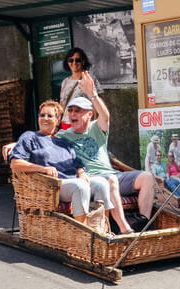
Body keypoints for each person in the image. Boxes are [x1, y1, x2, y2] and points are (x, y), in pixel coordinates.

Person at [56, 73, 156, 235]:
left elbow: (105, 116)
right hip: (93, 181)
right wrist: (15, 144)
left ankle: (142, 222)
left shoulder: (97, 128)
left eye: (78, 111)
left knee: (147, 177)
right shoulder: (63, 135)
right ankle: (125, 228)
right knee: (110, 181)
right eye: (71, 110)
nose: (73, 114)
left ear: (89, 114)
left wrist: (93, 94)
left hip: (114, 175)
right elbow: (42, 139)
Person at [8, 100, 109, 225]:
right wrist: (42, 169)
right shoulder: (30, 137)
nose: (45, 118)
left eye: (50, 116)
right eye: (42, 115)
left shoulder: (63, 142)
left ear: (58, 120)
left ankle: (102, 228)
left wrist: (82, 172)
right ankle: (84, 233)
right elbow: (15, 163)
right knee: (80, 186)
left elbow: (77, 163)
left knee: (101, 184)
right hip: (51, 185)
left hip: (71, 181)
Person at [59, 48, 101, 130]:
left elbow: (97, 103)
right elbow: (62, 103)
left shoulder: (89, 78)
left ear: (83, 61)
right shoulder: (65, 81)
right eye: (71, 60)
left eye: (77, 60)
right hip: (66, 124)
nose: (74, 63)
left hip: (83, 124)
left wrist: (96, 125)